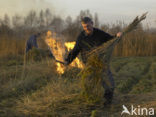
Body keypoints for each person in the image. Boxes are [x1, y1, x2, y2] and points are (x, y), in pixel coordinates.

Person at [64, 17, 122, 106]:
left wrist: (117, 36)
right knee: (89, 85)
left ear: (92, 23)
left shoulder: (99, 33)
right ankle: (91, 102)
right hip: (89, 65)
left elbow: (111, 39)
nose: (86, 28)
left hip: (101, 63)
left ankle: (107, 102)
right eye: (84, 27)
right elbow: (75, 50)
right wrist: (68, 61)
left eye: (88, 26)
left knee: (109, 84)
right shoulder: (81, 37)